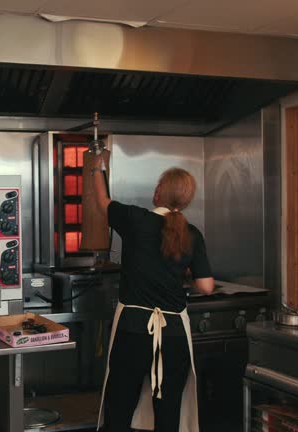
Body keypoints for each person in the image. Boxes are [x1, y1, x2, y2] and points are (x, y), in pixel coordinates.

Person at [91, 162, 214, 432]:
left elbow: (102, 202)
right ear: (185, 201)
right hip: (173, 335)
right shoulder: (192, 234)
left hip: (132, 329)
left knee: (119, 410)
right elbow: (206, 286)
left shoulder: (135, 219)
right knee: (168, 414)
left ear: (158, 192)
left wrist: (96, 168)